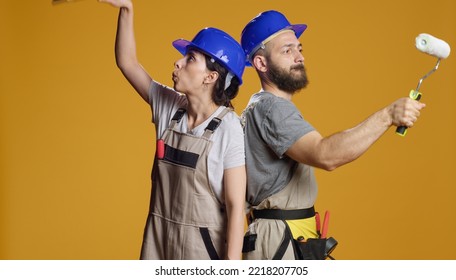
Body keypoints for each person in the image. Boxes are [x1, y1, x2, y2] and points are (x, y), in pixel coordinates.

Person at [239, 10, 426, 260]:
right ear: (261, 63)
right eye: (287, 50)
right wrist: (388, 115)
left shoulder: (259, 106)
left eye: (299, 48)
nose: (299, 56)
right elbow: (326, 154)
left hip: (285, 234)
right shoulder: (272, 108)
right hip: (280, 239)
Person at [99, 0, 247, 260]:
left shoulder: (230, 128)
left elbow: (236, 208)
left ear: (210, 77)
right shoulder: (169, 107)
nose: (178, 63)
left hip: (202, 251)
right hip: (158, 243)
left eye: (190, 58)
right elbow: (127, 62)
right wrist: (127, 9)